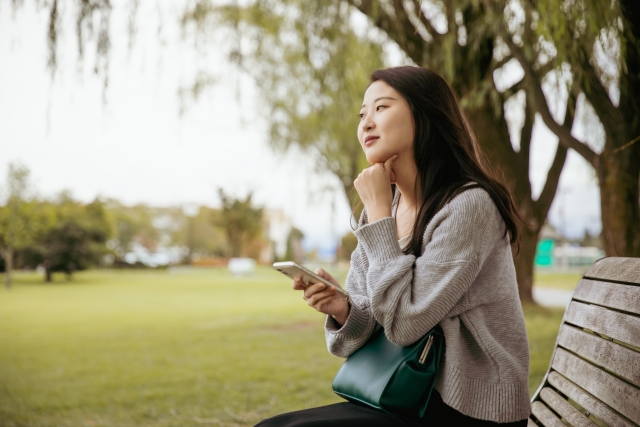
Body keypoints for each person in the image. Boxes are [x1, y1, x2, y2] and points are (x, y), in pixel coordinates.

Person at [256, 66, 531, 426]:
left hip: (471, 407)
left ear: (425, 116)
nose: (366, 123)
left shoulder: (468, 206)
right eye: (362, 114)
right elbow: (361, 333)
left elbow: (404, 324)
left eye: (381, 108)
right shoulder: (386, 212)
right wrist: (342, 308)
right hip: (409, 395)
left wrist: (380, 212)